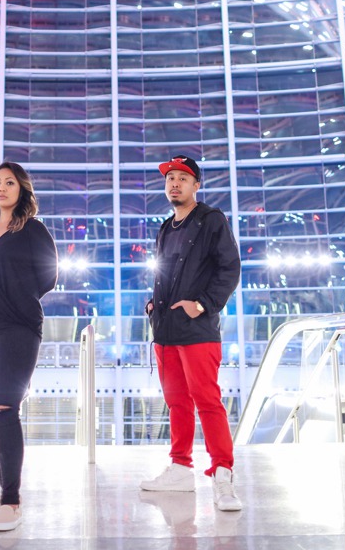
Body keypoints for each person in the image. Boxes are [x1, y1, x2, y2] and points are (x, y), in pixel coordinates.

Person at [141, 154, 243, 511]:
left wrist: (202, 304)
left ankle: (223, 475)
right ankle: (180, 468)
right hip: (166, 332)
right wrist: (152, 305)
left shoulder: (211, 220)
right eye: (170, 178)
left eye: (183, 177)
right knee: (177, 403)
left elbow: (229, 269)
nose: (174, 183)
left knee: (207, 401)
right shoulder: (166, 227)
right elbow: (164, 274)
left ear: (196, 185)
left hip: (198, 328)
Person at [0, 161, 58, 531]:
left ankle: (12, 501)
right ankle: (3, 490)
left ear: (22, 190)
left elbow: (49, 275)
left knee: (6, 405)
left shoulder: (33, 230)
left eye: (9, 183)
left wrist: (19, 296)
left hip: (17, 327)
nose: (2, 188)